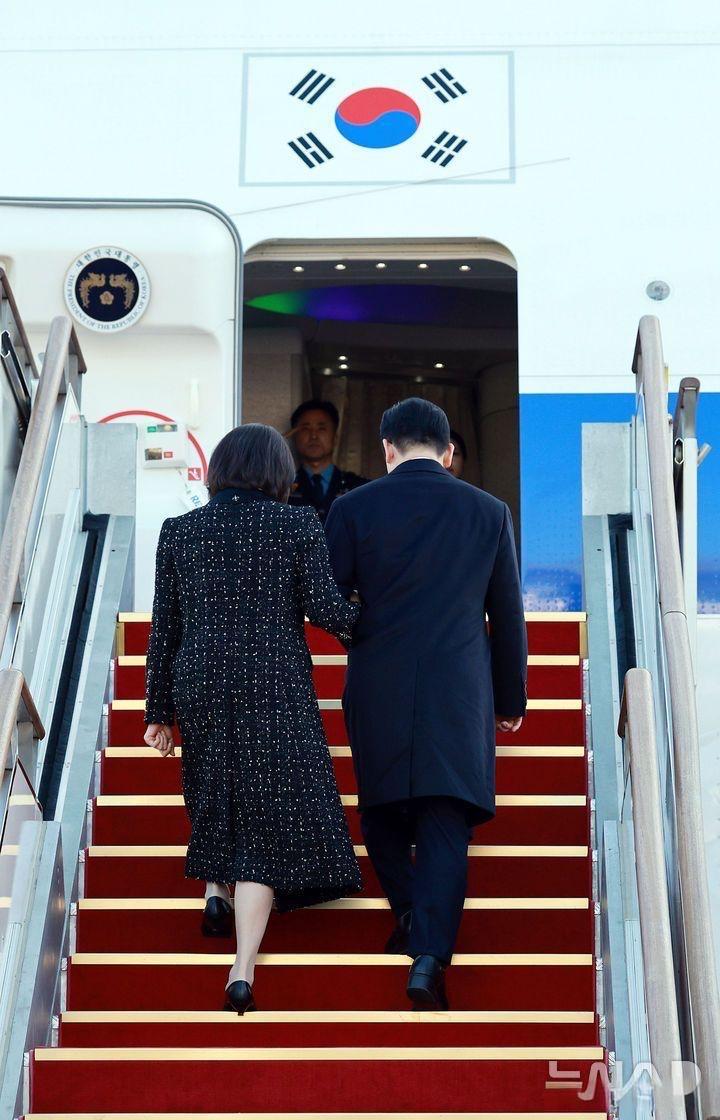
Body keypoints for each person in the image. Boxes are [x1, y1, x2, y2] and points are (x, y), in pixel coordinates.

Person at [143, 423, 362, 1016]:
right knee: (264, 819)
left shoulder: (180, 531)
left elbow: (165, 628)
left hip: (201, 680)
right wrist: (375, 618)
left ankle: (215, 890)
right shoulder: (296, 524)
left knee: (214, 785)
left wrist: (157, 711)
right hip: (272, 679)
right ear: (276, 472)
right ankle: (241, 969)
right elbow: (324, 608)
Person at [325, 398, 527, 1011]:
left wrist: (365, 632)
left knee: (381, 808)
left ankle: (411, 913)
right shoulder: (488, 511)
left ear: (387, 448)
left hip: (378, 680)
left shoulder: (352, 508)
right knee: (445, 818)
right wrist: (510, 694)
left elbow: (330, 600)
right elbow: (507, 614)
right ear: (448, 452)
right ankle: (430, 957)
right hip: (458, 686)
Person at [288, 399, 368, 523]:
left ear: (335, 437)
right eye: (305, 429)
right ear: (294, 437)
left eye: (321, 428)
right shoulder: (283, 489)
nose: (313, 436)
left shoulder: (359, 487)